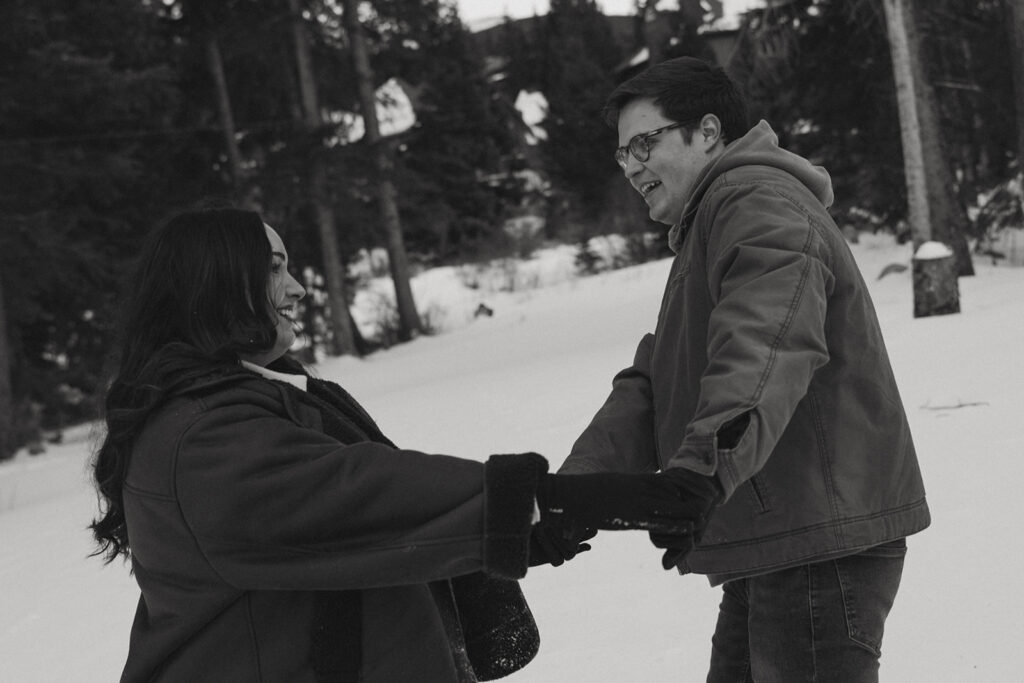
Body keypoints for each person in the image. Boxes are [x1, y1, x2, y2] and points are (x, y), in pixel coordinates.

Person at [89, 207, 707, 683]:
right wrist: (551, 503)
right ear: (213, 284)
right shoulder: (202, 439)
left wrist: (528, 525)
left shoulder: (268, 399)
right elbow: (364, 498)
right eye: (273, 268)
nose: (299, 288)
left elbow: (376, 525)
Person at [559, 57, 930, 682]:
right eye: (622, 154)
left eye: (644, 144)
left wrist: (700, 472)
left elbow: (768, 341)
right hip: (777, 534)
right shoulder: (712, 221)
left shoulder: (755, 203)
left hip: (816, 540)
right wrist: (575, 490)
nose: (631, 167)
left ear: (707, 131)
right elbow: (656, 382)